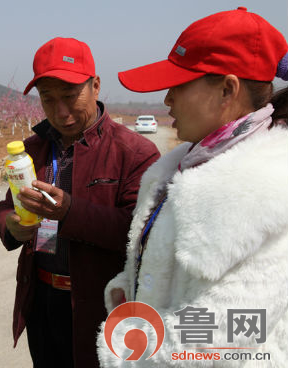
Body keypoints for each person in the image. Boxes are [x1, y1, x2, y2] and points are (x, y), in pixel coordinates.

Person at [96, 7, 288, 366]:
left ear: (227, 90)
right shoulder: (183, 167)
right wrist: (129, 288)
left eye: (178, 85)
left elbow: (229, 333)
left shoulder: (270, 192)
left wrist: (123, 350)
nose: (167, 99)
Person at [0, 37, 160, 367]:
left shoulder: (135, 153)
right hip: (42, 298)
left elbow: (137, 232)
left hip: (101, 304)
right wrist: (12, 227)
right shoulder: (34, 150)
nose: (61, 112)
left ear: (95, 86)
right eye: (48, 99)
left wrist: (70, 212)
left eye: (70, 96)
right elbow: (7, 208)